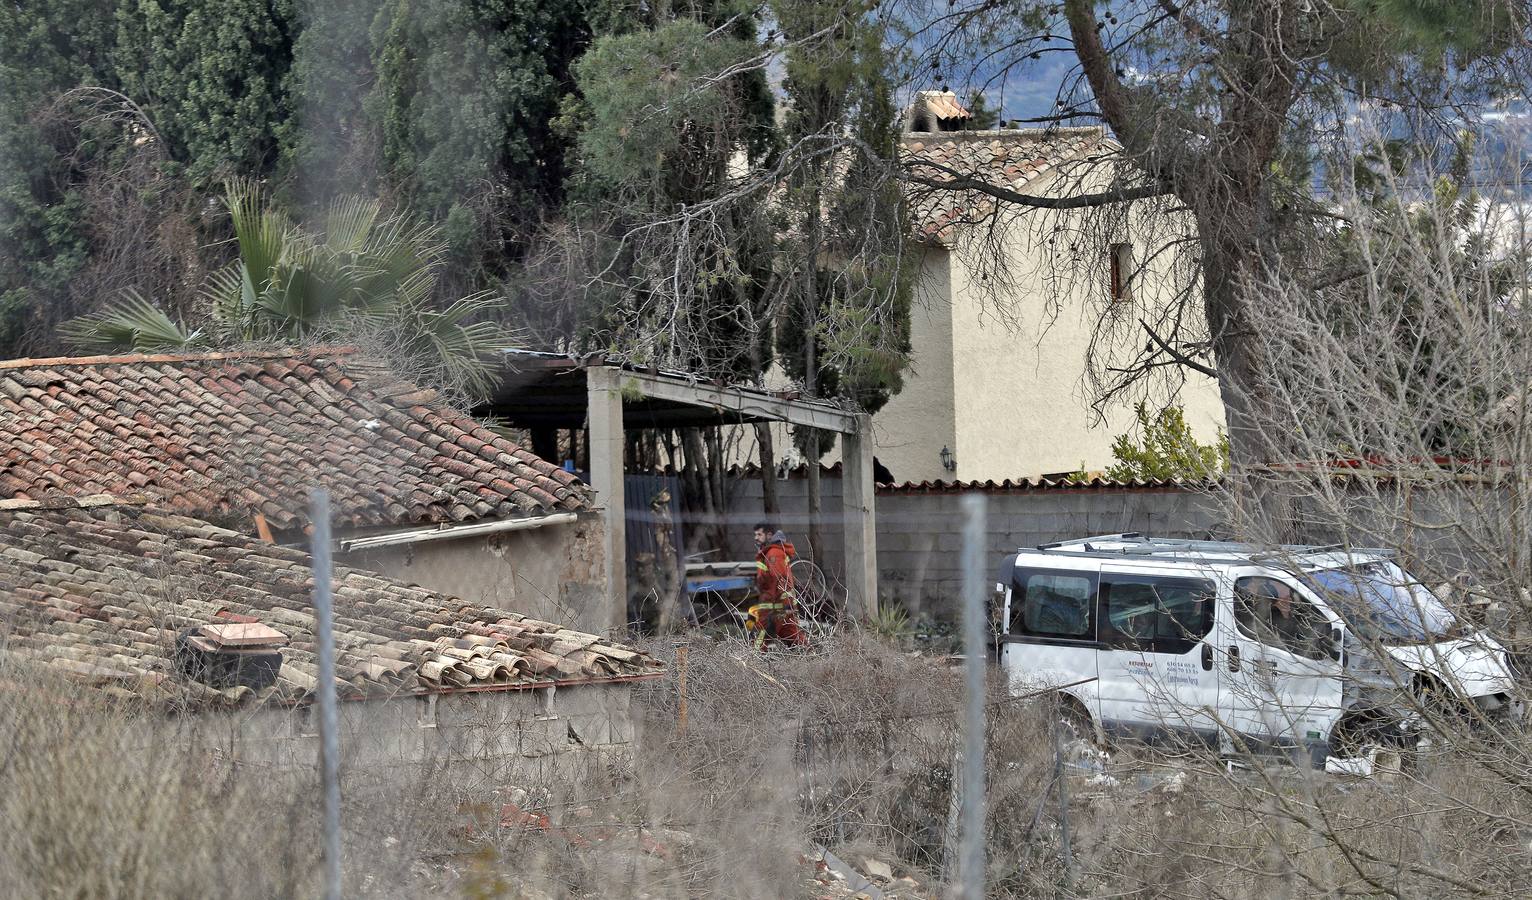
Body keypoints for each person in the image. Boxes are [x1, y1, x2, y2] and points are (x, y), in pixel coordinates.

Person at [748, 523, 808, 649]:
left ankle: (754, 661)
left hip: (775, 605)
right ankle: (810, 654)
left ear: (769, 535)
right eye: (755, 535)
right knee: (790, 633)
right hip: (778, 604)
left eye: (759, 534)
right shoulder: (769, 553)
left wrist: (784, 605)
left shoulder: (774, 553)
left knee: (761, 635)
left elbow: (779, 579)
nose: (756, 538)